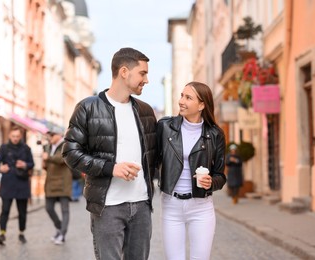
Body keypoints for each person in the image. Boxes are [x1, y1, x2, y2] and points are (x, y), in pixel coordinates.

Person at [62, 47, 157, 260]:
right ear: (124, 72)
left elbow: (157, 155)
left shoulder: (146, 112)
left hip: (141, 206)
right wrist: (111, 168)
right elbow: (70, 152)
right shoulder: (88, 107)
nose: (147, 80)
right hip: (107, 207)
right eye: (143, 73)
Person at [157, 81, 227, 260]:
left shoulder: (215, 134)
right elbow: (152, 160)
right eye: (181, 95)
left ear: (202, 105)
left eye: (188, 97)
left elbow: (220, 175)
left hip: (201, 207)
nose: (181, 101)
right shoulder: (165, 127)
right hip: (171, 205)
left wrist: (211, 182)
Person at [0, 126, 34, 245]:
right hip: (8, 184)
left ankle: (21, 233)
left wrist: (25, 164)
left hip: (22, 184)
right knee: (5, 210)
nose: (15, 139)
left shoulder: (26, 148)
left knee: (22, 212)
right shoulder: (4, 148)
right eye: (13, 136)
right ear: (10, 136)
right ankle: (2, 233)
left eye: (17, 136)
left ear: (20, 136)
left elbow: (32, 163)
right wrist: (0, 167)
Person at [42, 126, 72, 245]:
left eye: (52, 134)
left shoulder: (67, 145)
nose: (50, 137)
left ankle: (62, 235)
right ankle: (60, 228)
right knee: (49, 208)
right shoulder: (49, 147)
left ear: (59, 135)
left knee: (65, 210)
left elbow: (61, 159)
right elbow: (47, 165)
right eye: (50, 135)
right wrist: (44, 163)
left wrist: (48, 157)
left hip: (63, 182)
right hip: (51, 182)